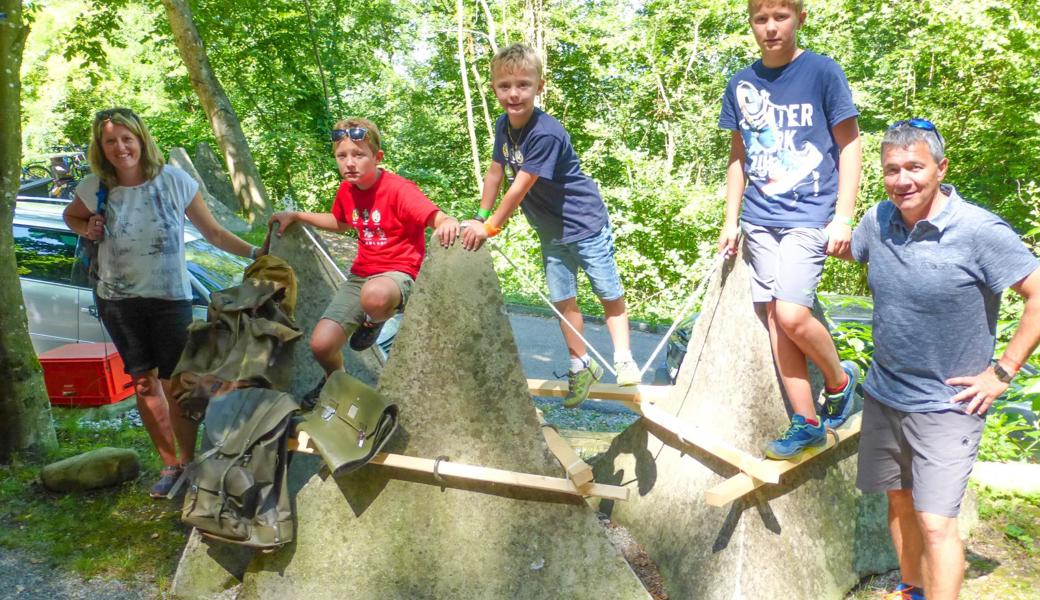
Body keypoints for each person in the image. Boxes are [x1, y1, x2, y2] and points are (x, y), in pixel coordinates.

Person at [842, 120, 1040, 600]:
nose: (902, 180)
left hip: (949, 404)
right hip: (886, 395)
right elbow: (847, 248)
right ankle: (912, 590)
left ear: (940, 168)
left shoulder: (978, 230)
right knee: (900, 503)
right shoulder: (878, 221)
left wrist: (1002, 373)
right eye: (892, 169)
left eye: (914, 167)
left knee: (935, 523)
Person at [63, 107, 262, 498]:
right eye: (111, 141)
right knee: (142, 383)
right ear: (101, 148)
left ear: (140, 140)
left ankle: (188, 461)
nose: (120, 147)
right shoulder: (95, 187)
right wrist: (87, 226)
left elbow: (215, 234)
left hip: (169, 298)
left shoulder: (174, 181)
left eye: (127, 139)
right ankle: (169, 465)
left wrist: (257, 252)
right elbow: (72, 217)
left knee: (178, 386)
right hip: (117, 300)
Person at [717, 0, 862, 459]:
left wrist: (843, 216)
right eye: (761, 19)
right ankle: (806, 421)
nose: (771, 28)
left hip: (808, 215)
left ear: (800, 18)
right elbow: (738, 158)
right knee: (777, 323)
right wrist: (730, 220)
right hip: (759, 220)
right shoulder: (741, 82)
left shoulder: (822, 72)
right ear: (751, 24)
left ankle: (841, 381)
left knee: (794, 316)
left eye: (780, 17)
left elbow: (851, 146)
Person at [460, 43, 640, 408]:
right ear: (494, 89)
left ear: (539, 86)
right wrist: (481, 215)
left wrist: (492, 227)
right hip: (551, 231)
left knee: (608, 291)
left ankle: (623, 357)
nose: (514, 93)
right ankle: (581, 364)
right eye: (505, 85)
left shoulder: (546, 132)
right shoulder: (502, 126)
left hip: (585, 223)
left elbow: (519, 186)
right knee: (562, 300)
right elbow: (496, 171)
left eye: (524, 84)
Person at [269, 118, 459, 398]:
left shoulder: (398, 189)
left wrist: (449, 222)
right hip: (361, 276)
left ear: (376, 157)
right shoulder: (346, 190)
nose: (350, 163)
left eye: (358, 155)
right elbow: (340, 221)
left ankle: (374, 320)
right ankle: (337, 384)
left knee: (375, 295)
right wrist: (298, 215)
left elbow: (436, 217)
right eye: (342, 156)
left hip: (398, 274)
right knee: (321, 345)